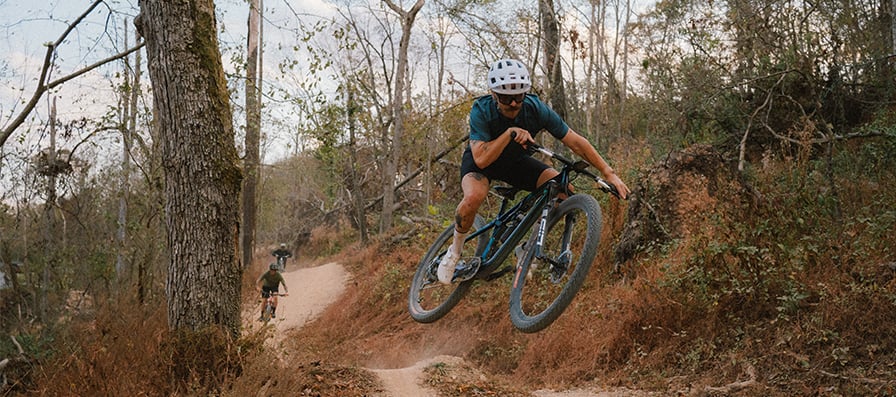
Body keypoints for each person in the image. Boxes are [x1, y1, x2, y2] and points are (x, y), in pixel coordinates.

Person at [437, 58, 631, 285]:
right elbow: (481, 158)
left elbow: (575, 141)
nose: (512, 103)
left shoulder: (536, 109)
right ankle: (454, 252)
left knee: (564, 189)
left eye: (518, 96)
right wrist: (510, 132)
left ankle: (527, 248)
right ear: (494, 95)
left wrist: (609, 173)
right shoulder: (482, 110)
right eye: (506, 97)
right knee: (473, 197)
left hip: (515, 163)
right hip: (482, 162)